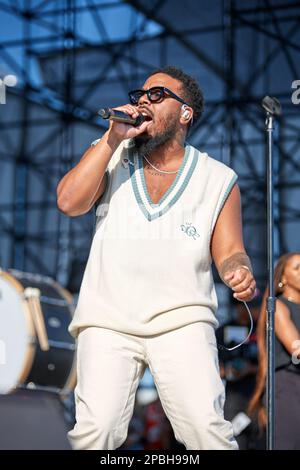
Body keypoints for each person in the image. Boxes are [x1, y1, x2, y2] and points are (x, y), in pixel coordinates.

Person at [56, 65, 256, 450]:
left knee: (206, 431)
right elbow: (68, 202)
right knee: (94, 433)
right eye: (140, 95)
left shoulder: (218, 178)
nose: (144, 100)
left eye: (158, 95)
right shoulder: (109, 155)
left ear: (185, 113)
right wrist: (111, 140)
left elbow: (231, 252)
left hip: (182, 319)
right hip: (107, 318)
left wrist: (238, 270)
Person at [248, 252, 300, 450]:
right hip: (288, 384)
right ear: (283, 278)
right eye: (297, 267)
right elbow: (296, 346)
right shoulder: (278, 306)